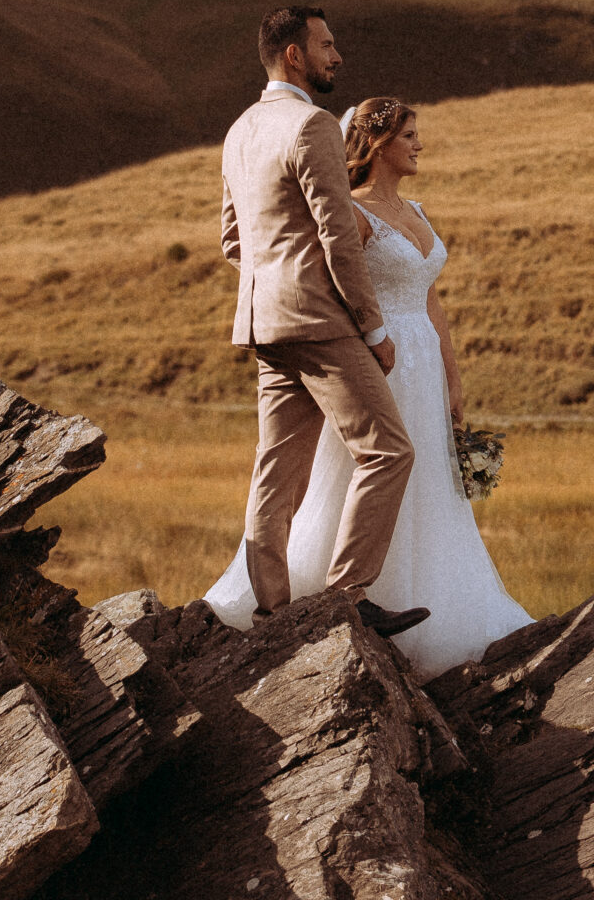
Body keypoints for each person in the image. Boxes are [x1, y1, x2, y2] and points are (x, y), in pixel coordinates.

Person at [209, 90, 532, 678]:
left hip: (423, 359)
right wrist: (365, 340)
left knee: (424, 479)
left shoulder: (420, 212)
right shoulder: (351, 214)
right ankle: (339, 596)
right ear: (379, 144)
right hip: (376, 354)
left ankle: (392, 596)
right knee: (363, 464)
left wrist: (453, 380)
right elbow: (335, 282)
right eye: (409, 136)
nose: (419, 145)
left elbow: (431, 297)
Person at [217, 7, 429, 640]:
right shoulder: (311, 125)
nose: (337, 57)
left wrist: (272, 280)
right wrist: (372, 328)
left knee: (276, 471)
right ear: (293, 56)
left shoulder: (239, 130)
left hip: (261, 322)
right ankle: (347, 597)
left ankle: (273, 613)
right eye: (327, 45)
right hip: (319, 321)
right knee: (388, 450)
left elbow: (233, 239)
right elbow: (339, 235)